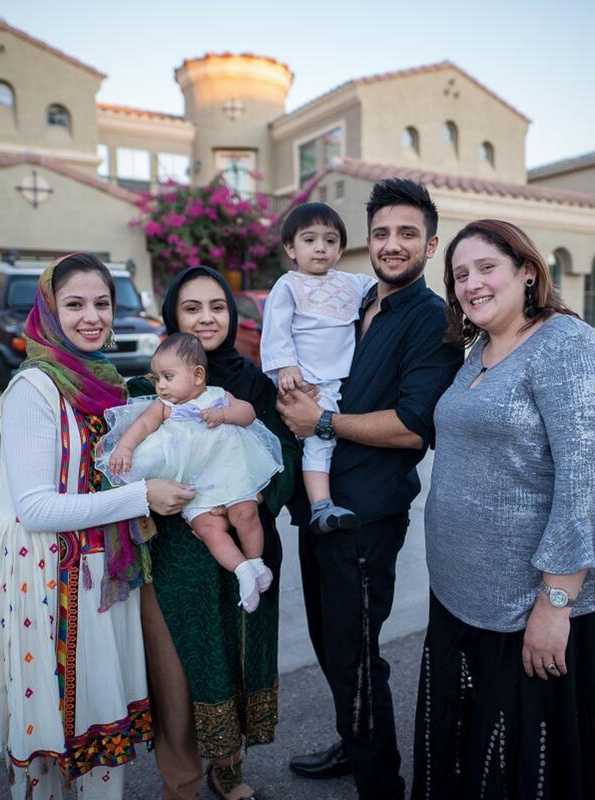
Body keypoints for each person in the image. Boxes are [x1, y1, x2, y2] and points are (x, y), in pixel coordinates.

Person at [278, 179, 464, 800]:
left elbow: (414, 426)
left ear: (430, 245)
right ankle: (353, 740)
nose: (392, 244)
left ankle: (380, 781)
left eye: (407, 233)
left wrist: (321, 422)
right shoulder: (356, 299)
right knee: (330, 641)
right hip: (318, 502)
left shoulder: (433, 320)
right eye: (381, 232)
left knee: (355, 651)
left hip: (366, 514)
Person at [0, 253, 194, 800]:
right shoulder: (33, 389)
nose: (92, 317)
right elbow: (36, 508)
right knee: (55, 734)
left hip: (105, 576)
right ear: (48, 310)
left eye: (102, 303)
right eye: (75, 304)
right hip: (52, 584)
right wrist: (142, 497)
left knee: (103, 731)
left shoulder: (106, 383)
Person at [412, 219, 595, 800]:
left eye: (486, 267)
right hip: (459, 599)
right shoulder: (479, 351)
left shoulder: (566, 344)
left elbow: (585, 482)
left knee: (519, 766)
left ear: (528, 272)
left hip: (525, 608)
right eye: (459, 275)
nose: (471, 284)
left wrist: (555, 603)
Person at [129, 266, 300, 800]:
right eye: (192, 308)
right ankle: (180, 783)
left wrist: (253, 498)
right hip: (176, 551)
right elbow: (129, 464)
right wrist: (154, 492)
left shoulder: (253, 383)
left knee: (236, 656)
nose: (207, 318)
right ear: (171, 317)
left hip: (245, 537)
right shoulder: (151, 385)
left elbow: (286, 453)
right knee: (177, 671)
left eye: (217, 306)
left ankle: (228, 767)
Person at [97, 332, 282, 613]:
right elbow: (142, 426)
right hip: (194, 486)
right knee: (209, 530)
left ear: (197, 375)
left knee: (245, 514)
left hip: (229, 476)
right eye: (157, 378)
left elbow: (248, 414)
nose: (160, 386)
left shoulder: (218, 396)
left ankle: (256, 562)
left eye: (168, 377)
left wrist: (225, 414)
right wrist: (124, 447)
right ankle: (242, 570)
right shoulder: (164, 407)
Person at [261, 202, 376, 534]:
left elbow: (382, 289)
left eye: (330, 241)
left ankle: (324, 502)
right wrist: (285, 366)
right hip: (307, 378)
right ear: (291, 248)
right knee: (319, 440)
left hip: (342, 378)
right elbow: (276, 329)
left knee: (336, 439)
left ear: (340, 249)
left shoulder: (351, 282)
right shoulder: (288, 285)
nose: (321, 248)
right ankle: (321, 505)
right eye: (310, 240)